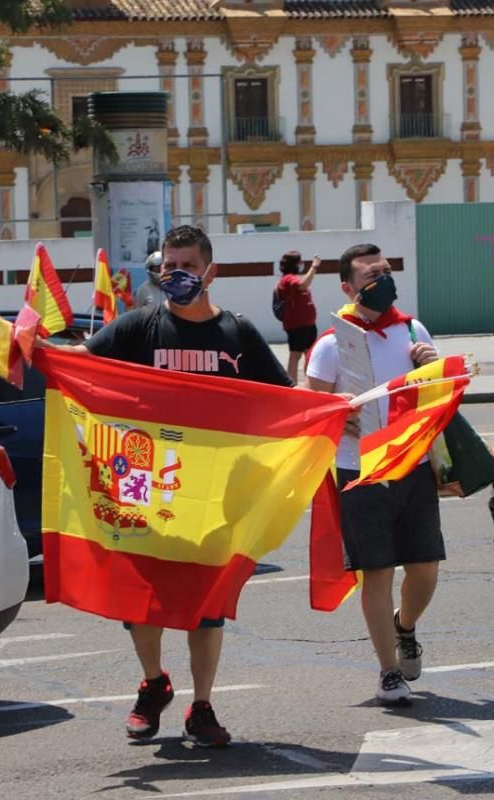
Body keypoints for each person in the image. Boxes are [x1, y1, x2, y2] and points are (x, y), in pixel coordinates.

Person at [61, 225, 292, 747]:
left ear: (210, 271)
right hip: (149, 492)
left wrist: (330, 411)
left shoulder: (239, 333)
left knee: (205, 607)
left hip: (216, 498)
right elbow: (79, 365)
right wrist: (29, 348)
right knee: (143, 602)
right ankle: (153, 684)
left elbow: (284, 400)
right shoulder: (139, 327)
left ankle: (202, 706)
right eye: (169, 266)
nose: (176, 275)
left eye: (186, 265)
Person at [305, 242, 443, 707]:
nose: (382, 281)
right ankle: (388, 671)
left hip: (413, 464)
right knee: (378, 572)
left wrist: (432, 368)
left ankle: (405, 627)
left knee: (425, 570)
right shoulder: (331, 344)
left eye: (385, 271)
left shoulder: (412, 330)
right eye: (371, 276)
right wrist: (332, 415)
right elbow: (311, 406)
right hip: (359, 471)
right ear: (349, 288)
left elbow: (441, 394)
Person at [274, 251, 320, 384]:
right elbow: (303, 285)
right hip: (298, 326)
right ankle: (291, 385)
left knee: (309, 354)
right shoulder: (288, 278)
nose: (301, 264)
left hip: (307, 325)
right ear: (294, 264)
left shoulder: (293, 278)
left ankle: (310, 384)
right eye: (299, 262)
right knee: (295, 355)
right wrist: (314, 267)